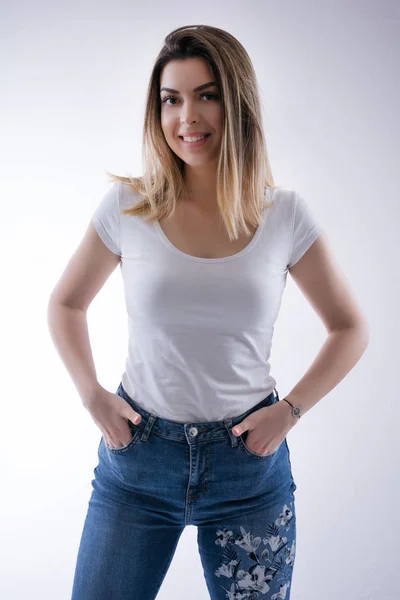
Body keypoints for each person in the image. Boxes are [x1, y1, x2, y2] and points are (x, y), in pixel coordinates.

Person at [47, 24, 370, 600]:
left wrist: (290, 411)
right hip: (138, 463)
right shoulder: (128, 205)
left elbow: (350, 327)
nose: (186, 117)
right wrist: (91, 394)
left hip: (248, 466)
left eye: (207, 95)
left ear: (237, 103)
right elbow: (66, 302)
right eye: (172, 99)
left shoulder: (284, 214)